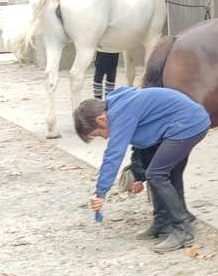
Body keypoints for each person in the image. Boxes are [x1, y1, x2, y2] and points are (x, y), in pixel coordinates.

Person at [73, 85, 210, 253]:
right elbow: (141, 146)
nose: (105, 137)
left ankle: (183, 230)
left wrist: (100, 192)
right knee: (164, 171)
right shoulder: (119, 106)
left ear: (101, 119)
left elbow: (113, 154)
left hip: (189, 125)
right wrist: (138, 175)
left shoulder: (119, 113)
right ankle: (163, 223)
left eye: (99, 134)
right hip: (183, 124)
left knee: (157, 174)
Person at [92, 0, 126, 100]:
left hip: (115, 38)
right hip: (103, 38)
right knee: (100, 70)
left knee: (112, 70)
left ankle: (109, 99)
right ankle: (98, 100)